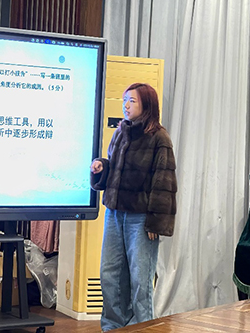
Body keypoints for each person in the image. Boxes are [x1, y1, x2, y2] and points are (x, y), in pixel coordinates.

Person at [90, 83, 177, 331]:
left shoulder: (159, 138)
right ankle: (113, 327)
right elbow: (115, 171)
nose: (126, 106)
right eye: (124, 100)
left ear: (147, 105)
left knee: (140, 278)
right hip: (115, 214)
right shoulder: (121, 132)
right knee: (110, 274)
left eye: (132, 101)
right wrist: (102, 167)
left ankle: (142, 327)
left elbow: (164, 182)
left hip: (141, 219)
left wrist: (156, 222)